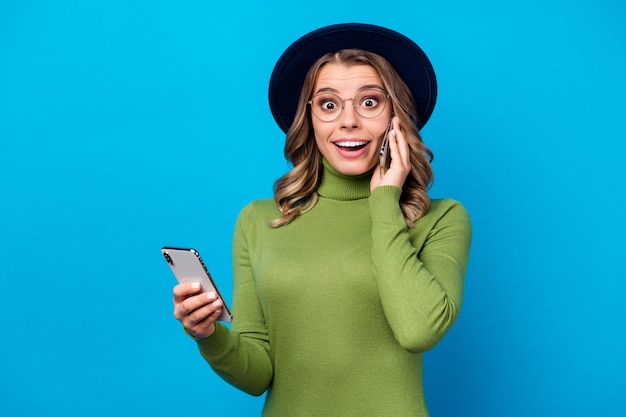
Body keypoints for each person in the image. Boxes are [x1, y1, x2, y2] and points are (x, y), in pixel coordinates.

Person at [172, 23, 471, 416]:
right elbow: (257, 375)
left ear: (397, 118)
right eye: (329, 104)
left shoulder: (442, 218)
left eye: (369, 102)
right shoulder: (258, 220)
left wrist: (385, 200)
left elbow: (418, 331)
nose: (348, 121)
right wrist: (208, 335)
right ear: (309, 119)